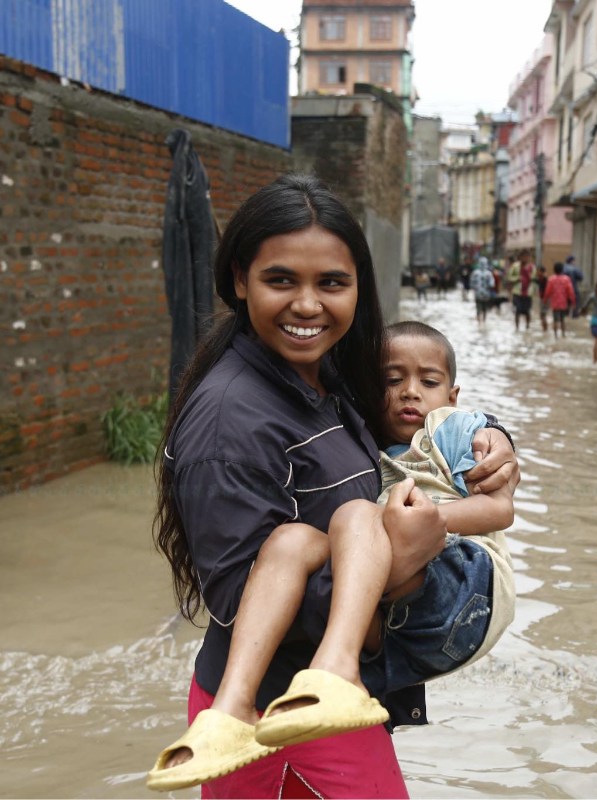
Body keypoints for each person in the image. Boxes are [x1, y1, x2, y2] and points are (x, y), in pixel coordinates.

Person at [148, 174, 519, 798]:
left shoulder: (327, 376)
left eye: (332, 283)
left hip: (325, 698)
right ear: (240, 280)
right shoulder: (228, 422)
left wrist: (491, 438)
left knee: (322, 529)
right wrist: (399, 562)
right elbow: (238, 601)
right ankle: (250, 704)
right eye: (281, 280)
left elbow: (411, 430)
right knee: (330, 529)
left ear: (358, 289)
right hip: (279, 718)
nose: (308, 305)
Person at [544, 262, 576, 338]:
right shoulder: (566, 279)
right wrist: (573, 301)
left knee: (555, 320)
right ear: (562, 270)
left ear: (554, 270)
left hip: (555, 303)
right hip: (563, 303)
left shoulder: (551, 279)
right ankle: (563, 334)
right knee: (562, 320)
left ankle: (555, 336)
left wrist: (545, 299)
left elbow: (548, 291)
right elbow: (570, 291)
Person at [511, 253, 538, 332]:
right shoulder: (515, 266)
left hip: (528, 292)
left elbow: (534, 279)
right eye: (524, 256)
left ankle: (527, 327)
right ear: (520, 257)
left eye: (527, 256)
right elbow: (510, 277)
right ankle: (517, 328)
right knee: (517, 310)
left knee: (527, 311)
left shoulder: (532, 267)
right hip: (517, 292)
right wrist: (517, 278)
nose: (525, 258)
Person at [471, 256, 495, 326]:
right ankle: (482, 321)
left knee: (481, 308)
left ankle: (480, 322)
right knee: (482, 308)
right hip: (483, 294)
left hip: (481, 294)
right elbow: (492, 284)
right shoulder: (488, 273)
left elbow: (472, 284)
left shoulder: (477, 272)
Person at [535, 264, 550, 334]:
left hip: (545, 299)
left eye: (538, 271)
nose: (537, 273)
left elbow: (547, 290)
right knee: (542, 315)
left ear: (541, 272)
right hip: (543, 299)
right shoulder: (541, 279)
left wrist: (545, 299)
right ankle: (544, 329)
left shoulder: (545, 279)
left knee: (542, 315)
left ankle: (545, 330)